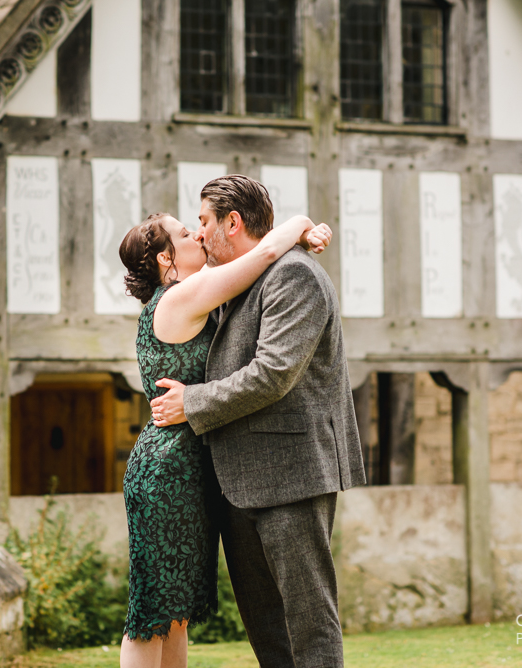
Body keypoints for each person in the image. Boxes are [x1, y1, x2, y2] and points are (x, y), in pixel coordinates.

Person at [149, 174, 366, 668]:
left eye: (203, 222)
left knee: (308, 622)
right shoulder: (233, 281)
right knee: (266, 629)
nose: (199, 234)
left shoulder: (295, 276)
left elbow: (273, 374)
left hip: (291, 472)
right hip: (235, 480)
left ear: (232, 221)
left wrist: (194, 403)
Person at [117, 210, 332, 668]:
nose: (196, 233)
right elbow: (266, 251)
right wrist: (300, 223)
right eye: (183, 232)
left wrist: (304, 235)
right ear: (164, 260)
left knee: (176, 614)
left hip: (190, 465)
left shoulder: (191, 290)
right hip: (169, 470)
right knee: (153, 611)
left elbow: (249, 252)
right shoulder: (183, 295)